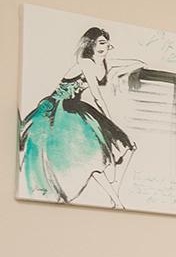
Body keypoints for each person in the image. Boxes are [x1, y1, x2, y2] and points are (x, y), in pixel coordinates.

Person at [17, 26, 138, 206]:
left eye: (107, 43)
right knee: (93, 155)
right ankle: (116, 201)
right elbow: (97, 96)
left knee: (126, 147)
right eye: (101, 43)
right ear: (91, 44)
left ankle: (115, 196)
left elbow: (129, 62)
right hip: (60, 110)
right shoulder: (86, 63)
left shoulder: (101, 62)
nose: (105, 47)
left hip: (74, 107)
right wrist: (110, 120)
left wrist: (140, 63)